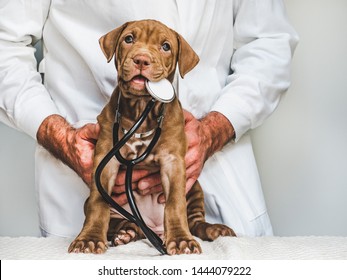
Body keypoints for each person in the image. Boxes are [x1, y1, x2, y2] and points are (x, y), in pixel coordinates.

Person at [0, 0, 298, 238]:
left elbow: (268, 43)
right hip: (85, 182)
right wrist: (62, 138)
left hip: (216, 184)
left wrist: (214, 130)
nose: (143, 56)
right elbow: (6, 45)